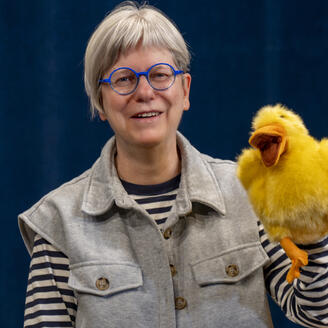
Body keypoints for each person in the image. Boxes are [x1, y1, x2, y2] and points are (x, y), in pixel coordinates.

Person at [19, 2, 328, 328]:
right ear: (100, 103)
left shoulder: (250, 194)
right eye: (124, 79)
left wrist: (312, 236)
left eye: (160, 75)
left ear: (185, 91)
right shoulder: (58, 222)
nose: (145, 92)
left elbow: (317, 313)